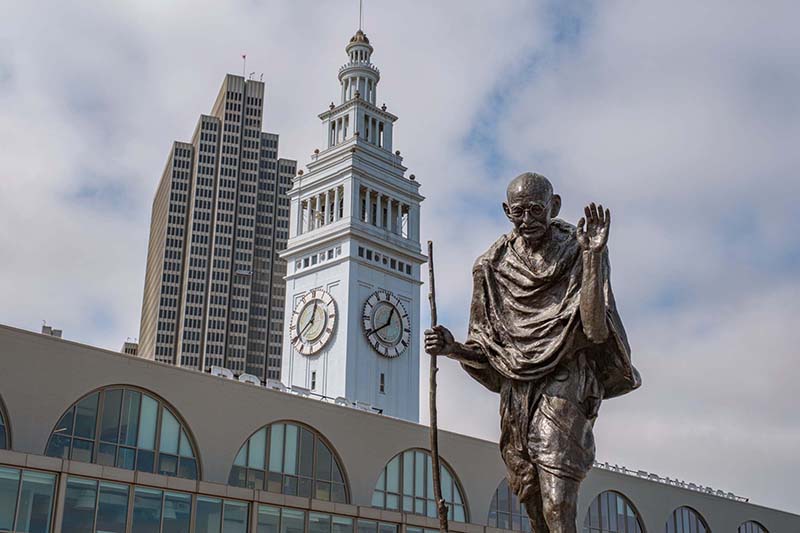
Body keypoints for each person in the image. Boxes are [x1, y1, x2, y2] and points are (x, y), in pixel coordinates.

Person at [425, 172, 640, 533]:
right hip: (517, 396)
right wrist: (453, 349)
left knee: (558, 502)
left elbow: (595, 330)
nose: (527, 221)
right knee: (534, 503)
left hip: (566, 381)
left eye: (536, 210)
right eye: (518, 212)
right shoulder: (490, 266)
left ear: (554, 207)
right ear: (506, 211)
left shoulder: (579, 247)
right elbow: (489, 352)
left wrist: (593, 257)